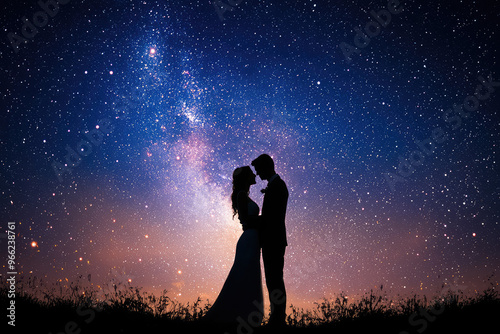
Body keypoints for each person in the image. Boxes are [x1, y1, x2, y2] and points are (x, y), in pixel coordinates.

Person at [203, 166, 264, 326]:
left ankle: (241, 314)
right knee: (243, 274)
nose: (254, 174)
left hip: (252, 239)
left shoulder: (243, 194)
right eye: (251, 173)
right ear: (245, 177)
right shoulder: (242, 195)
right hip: (249, 238)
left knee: (247, 274)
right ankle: (235, 315)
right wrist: (265, 219)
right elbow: (245, 220)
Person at [251, 154, 288, 329]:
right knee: (273, 279)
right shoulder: (275, 185)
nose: (257, 175)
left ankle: (278, 319)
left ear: (266, 167)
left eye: (258, 170)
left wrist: (252, 221)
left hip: (273, 240)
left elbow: (272, 217)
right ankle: (277, 317)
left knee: (275, 279)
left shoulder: (278, 186)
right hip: (272, 239)